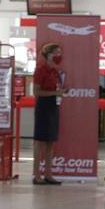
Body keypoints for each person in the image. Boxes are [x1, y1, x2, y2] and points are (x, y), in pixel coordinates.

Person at [32, 42, 65, 186]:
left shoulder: (55, 71)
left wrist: (61, 92)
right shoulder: (41, 70)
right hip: (43, 106)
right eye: (56, 53)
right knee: (40, 141)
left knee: (50, 142)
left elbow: (57, 88)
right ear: (48, 54)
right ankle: (37, 175)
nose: (59, 56)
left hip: (54, 105)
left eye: (60, 53)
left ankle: (48, 174)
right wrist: (55, 92)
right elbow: (36, 92)